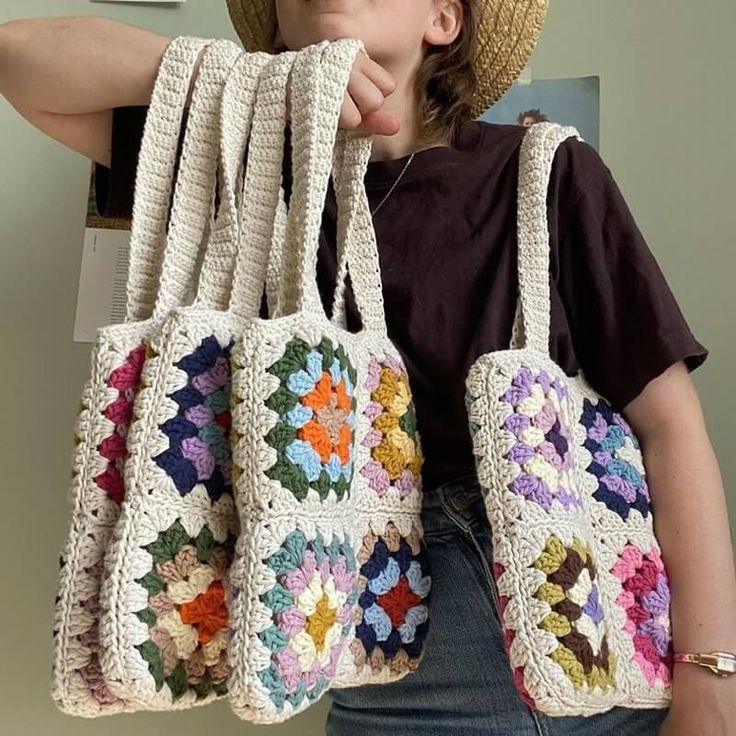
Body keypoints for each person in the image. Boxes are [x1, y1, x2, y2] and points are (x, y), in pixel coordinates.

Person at [1, 2, 735, 734]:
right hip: (381, 668)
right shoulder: (248, 168)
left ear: (445, 19)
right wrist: (250, 79)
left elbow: (669, 426)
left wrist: (712, 678)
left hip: (595, 646)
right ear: (280, 32)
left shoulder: (545, 173)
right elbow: (19, 59)